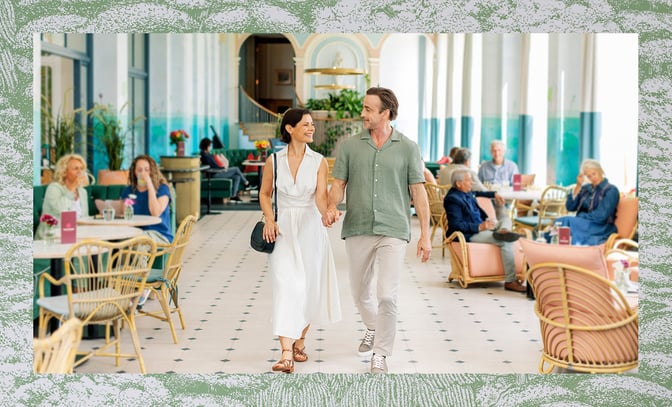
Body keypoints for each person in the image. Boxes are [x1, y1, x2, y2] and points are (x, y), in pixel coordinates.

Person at [324, 87, 432, 374]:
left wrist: (425, 234)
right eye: (364, 108)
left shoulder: (408, 147)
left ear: (386, 113)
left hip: (393, 228)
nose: (363, 113)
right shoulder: (349, 146)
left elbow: (419, 193)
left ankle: (381, 353)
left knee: (387, 295)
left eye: (369, 109)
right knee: (359, 293)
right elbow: (338, 186)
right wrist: (331, 206)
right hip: (358, 225)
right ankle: (373, 325)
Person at [258, 108, 341, 374]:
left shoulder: (319, 161)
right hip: (283, 231)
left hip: (310, 229)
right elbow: (265, 193)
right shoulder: (274, 160)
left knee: (309, 290)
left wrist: (327, 212)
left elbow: (319, 197)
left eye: (312, 124)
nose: (311, 128)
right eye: (306, 124)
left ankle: (300, 340)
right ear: (290, 129)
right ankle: (285, 353)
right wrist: (269, 219)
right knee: (286, 285)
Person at [443, 169, 526, 293]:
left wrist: (494, 194)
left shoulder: (467, 192)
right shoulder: (452, 199)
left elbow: (478, 192)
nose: (472, 182)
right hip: (472, 234)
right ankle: (510, 281)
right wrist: (480, 227)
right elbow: (455, 225)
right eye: (468, 180)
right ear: (459, 183)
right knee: (506, 242)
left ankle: (503, 231)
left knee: (505, 219)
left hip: (485, 227)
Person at [552, 159, 619, 246]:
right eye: (589, 176)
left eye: (594, 174)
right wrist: (578, 185)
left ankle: (560, 248)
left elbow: (601, 216)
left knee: (566, 221)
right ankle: (556, 249)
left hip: (601, 226)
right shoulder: (586, 189)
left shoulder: (611, 190)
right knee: (559, 222)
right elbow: (570, 207)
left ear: (600, 170)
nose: (592, 178)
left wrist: (581, 217)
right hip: (583, 224)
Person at [36, 154, 89, 240]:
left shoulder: (82, 192)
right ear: (64, 172)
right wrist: (72, 188)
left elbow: (84, 218)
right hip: (51, 238)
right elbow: (61, 210)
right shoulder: (54, 188)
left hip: (75, 237)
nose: (80, 172)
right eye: (76, 169)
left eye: (81, 168)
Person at [199, 137, 250, 203]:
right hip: (214, 174)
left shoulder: (208, 154)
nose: (210, 147)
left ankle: (233, 196)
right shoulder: (204, 155)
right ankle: (246, 183)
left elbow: (214, 165)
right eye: (209, 146)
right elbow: (212, 166)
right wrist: (222, 169)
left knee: (237, 177)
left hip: (218, 171)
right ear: (206, 146)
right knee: (236, 169)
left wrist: (222, 168)